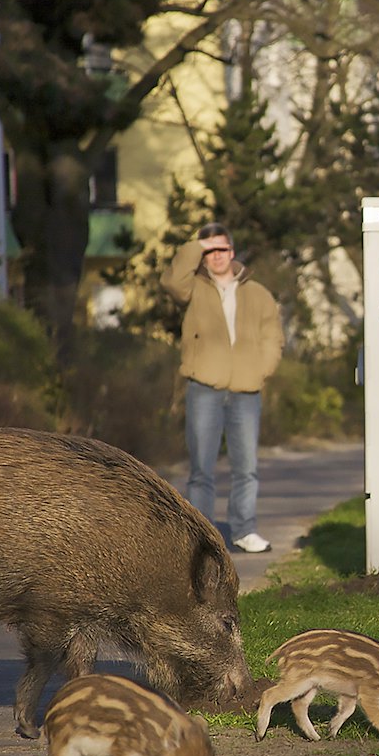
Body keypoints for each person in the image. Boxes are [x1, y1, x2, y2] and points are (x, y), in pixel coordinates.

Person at [162, 222, 285, 554]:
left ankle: (244, 529)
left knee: (247, 467)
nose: (216, 256)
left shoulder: (257, 293)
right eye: (209, 251)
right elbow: (171, 283)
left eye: (222, 249)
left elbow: (273, 335)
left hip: (247, 389)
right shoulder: (194, 289)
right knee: (202, 468)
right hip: (204, 386)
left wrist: (262, 369)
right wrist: (195, 246)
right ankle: (202, 538)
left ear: (233, 251)